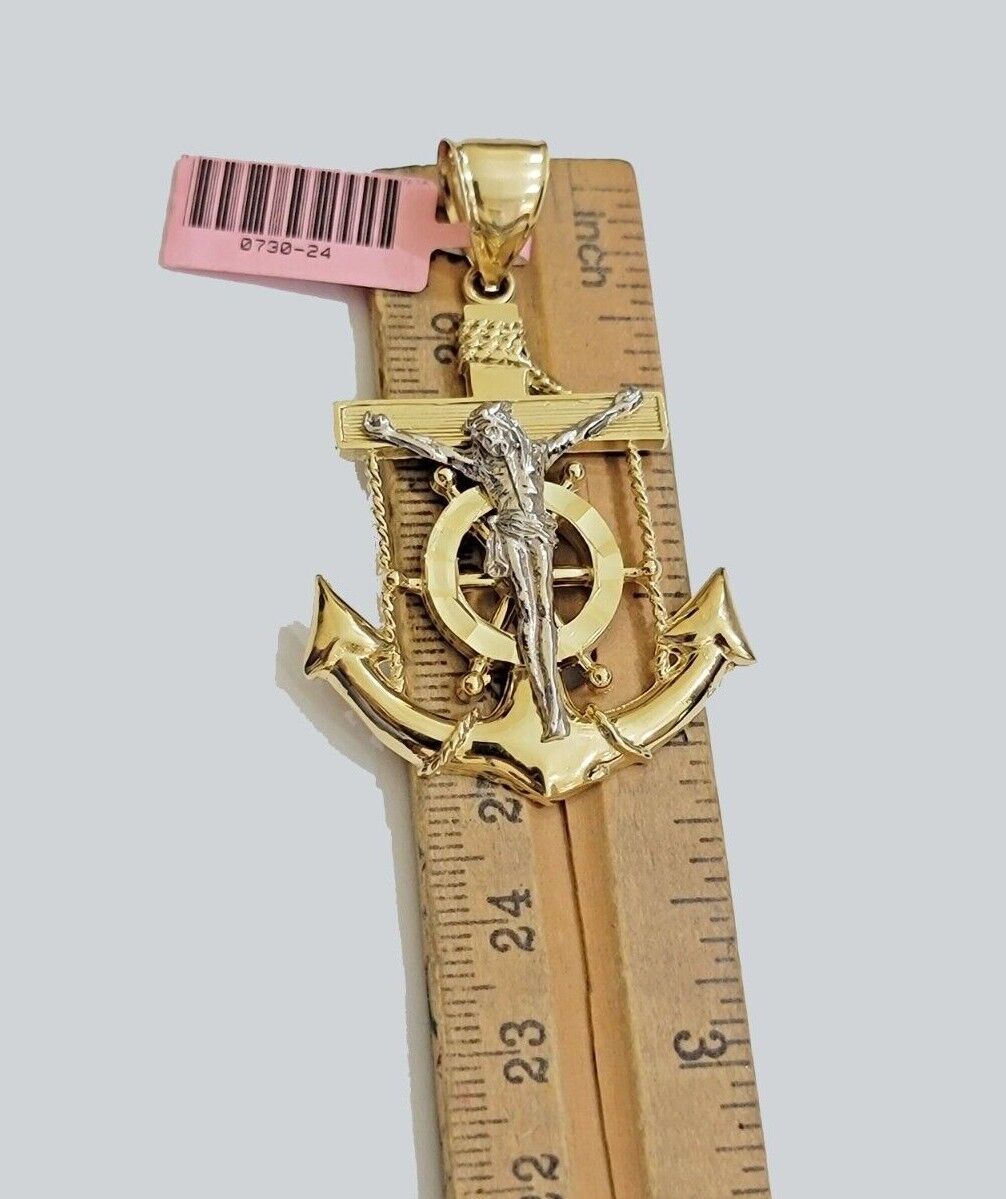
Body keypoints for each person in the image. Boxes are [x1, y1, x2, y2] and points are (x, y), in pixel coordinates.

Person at [363, 387, 644, 741]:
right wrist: (390, 433)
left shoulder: (538, 454)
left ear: (510, 429)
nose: (490, 438)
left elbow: (581, 430)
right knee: (529, 610)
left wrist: (618, 408)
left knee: (543, 612)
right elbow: (435, 451)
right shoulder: (480, 466)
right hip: (511, 536)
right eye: (483, 434)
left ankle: (554, 705)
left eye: (493, 429)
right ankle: (550, 709)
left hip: (541, 535)